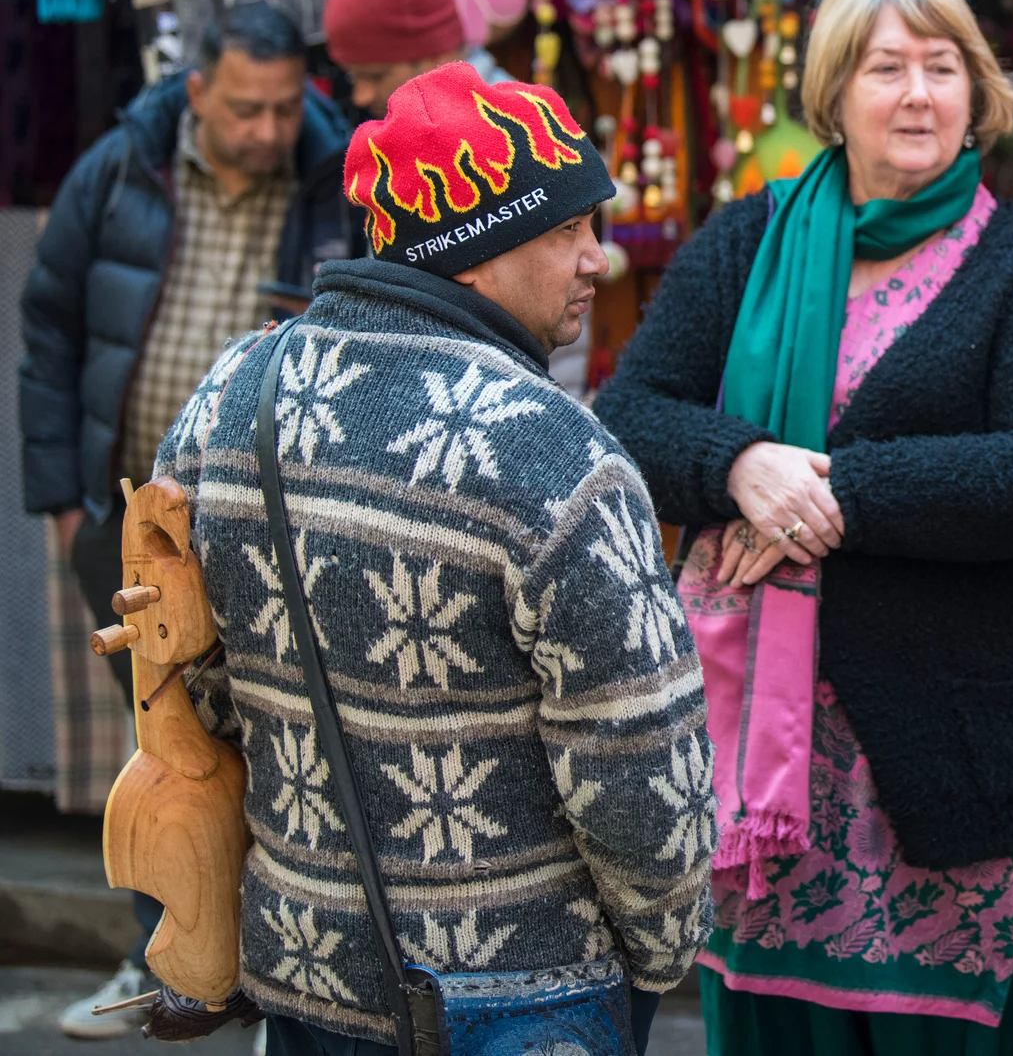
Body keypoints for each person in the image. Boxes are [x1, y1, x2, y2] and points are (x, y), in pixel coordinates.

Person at [596, 0, 1013, 1055]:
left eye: (943, 67)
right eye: (888, 68)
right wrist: (741, 464)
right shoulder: (750, 242)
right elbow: (630, 414)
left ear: (979, 93)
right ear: (835, 90)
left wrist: (831, 489)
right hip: (766, 777)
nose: (919, 94)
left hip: (961, 750)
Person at [149, 61, 712, 1054]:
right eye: (569, 228)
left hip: (302, 975)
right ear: (475, 247)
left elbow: (184, 678)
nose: (599, 259)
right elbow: (638, 774)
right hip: (522, 998)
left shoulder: (233, 394)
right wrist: (659, 957)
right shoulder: (557, 456)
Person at [17, 1, 353, 1039]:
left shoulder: (333, 175)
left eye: (284, 106)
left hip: (276, 528)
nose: (265, 128)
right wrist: (59, 496)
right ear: (197, 89)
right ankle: (163, 959)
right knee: (162, 750)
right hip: (131, 524)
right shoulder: (119, 168)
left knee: (279, 742)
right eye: (244, 107)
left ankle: (279, 973)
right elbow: (50, 322)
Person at [323, 0, 589, 400]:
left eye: (372, 75)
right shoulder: (414, 142)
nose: (360, 95)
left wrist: (551, 421)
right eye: (353, 78)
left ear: (428, 56)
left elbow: (559, 301)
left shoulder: (512, 137)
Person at [321, 0, 511, 115]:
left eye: (376, 76)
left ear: (437, 58)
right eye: (352, 77)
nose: (360, 98)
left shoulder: (509, 132)